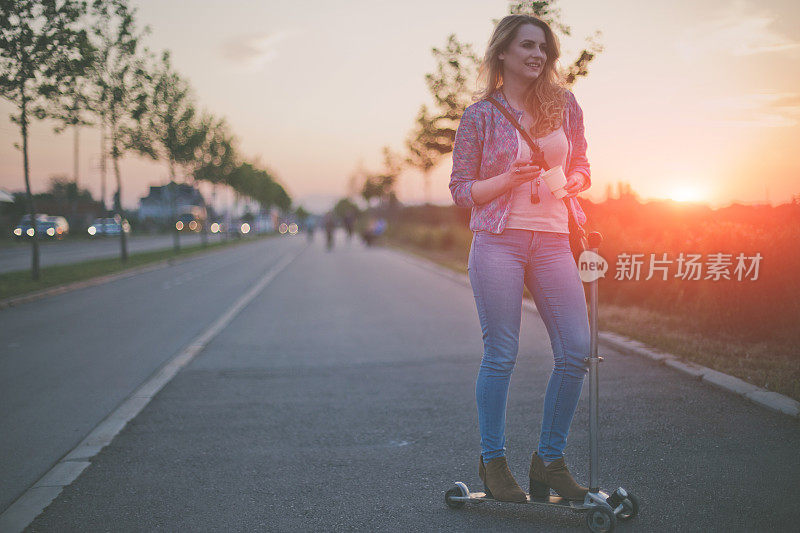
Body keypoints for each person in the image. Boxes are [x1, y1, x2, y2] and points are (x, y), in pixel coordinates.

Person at [448, 14, 593, 503]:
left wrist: (572, 182)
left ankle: (549, 461)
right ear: (503, 53)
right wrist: (508, 179)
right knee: (502, 355)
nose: (538, 55)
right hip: (498, 242)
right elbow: (462, 190)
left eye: (544, 49)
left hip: (554, 241)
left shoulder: (565, 106)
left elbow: (583, 167)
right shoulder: (480, 115)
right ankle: (493, 464)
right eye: (528, 46)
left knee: (576, 349)